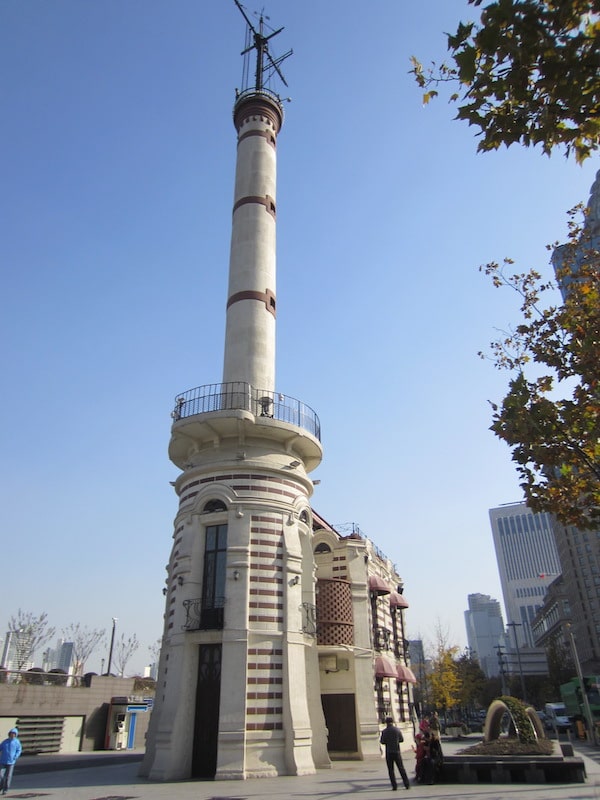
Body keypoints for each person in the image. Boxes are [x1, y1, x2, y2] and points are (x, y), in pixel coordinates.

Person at [380, 716, 410, 791]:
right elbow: (401, 739)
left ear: (386, 723)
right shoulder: (397, 730)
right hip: (397, 751)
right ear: (392, 722)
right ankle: (407, 784)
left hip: (389, 752)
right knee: (401, 768)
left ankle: (394, 786)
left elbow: (382, 741)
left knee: (391, 770)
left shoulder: (384, 731)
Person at [0, 728, 21, 795]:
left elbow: (19, 750)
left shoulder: (17, 742)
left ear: (15, 735)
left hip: (11, 762)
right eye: (11, 733)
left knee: (8, 776)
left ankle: (5, 789)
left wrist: (15, 756)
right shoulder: (5, 742)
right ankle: (1, 786)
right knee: (1, 775)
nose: (12, 735)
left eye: (14, 734)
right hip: (3, 761)